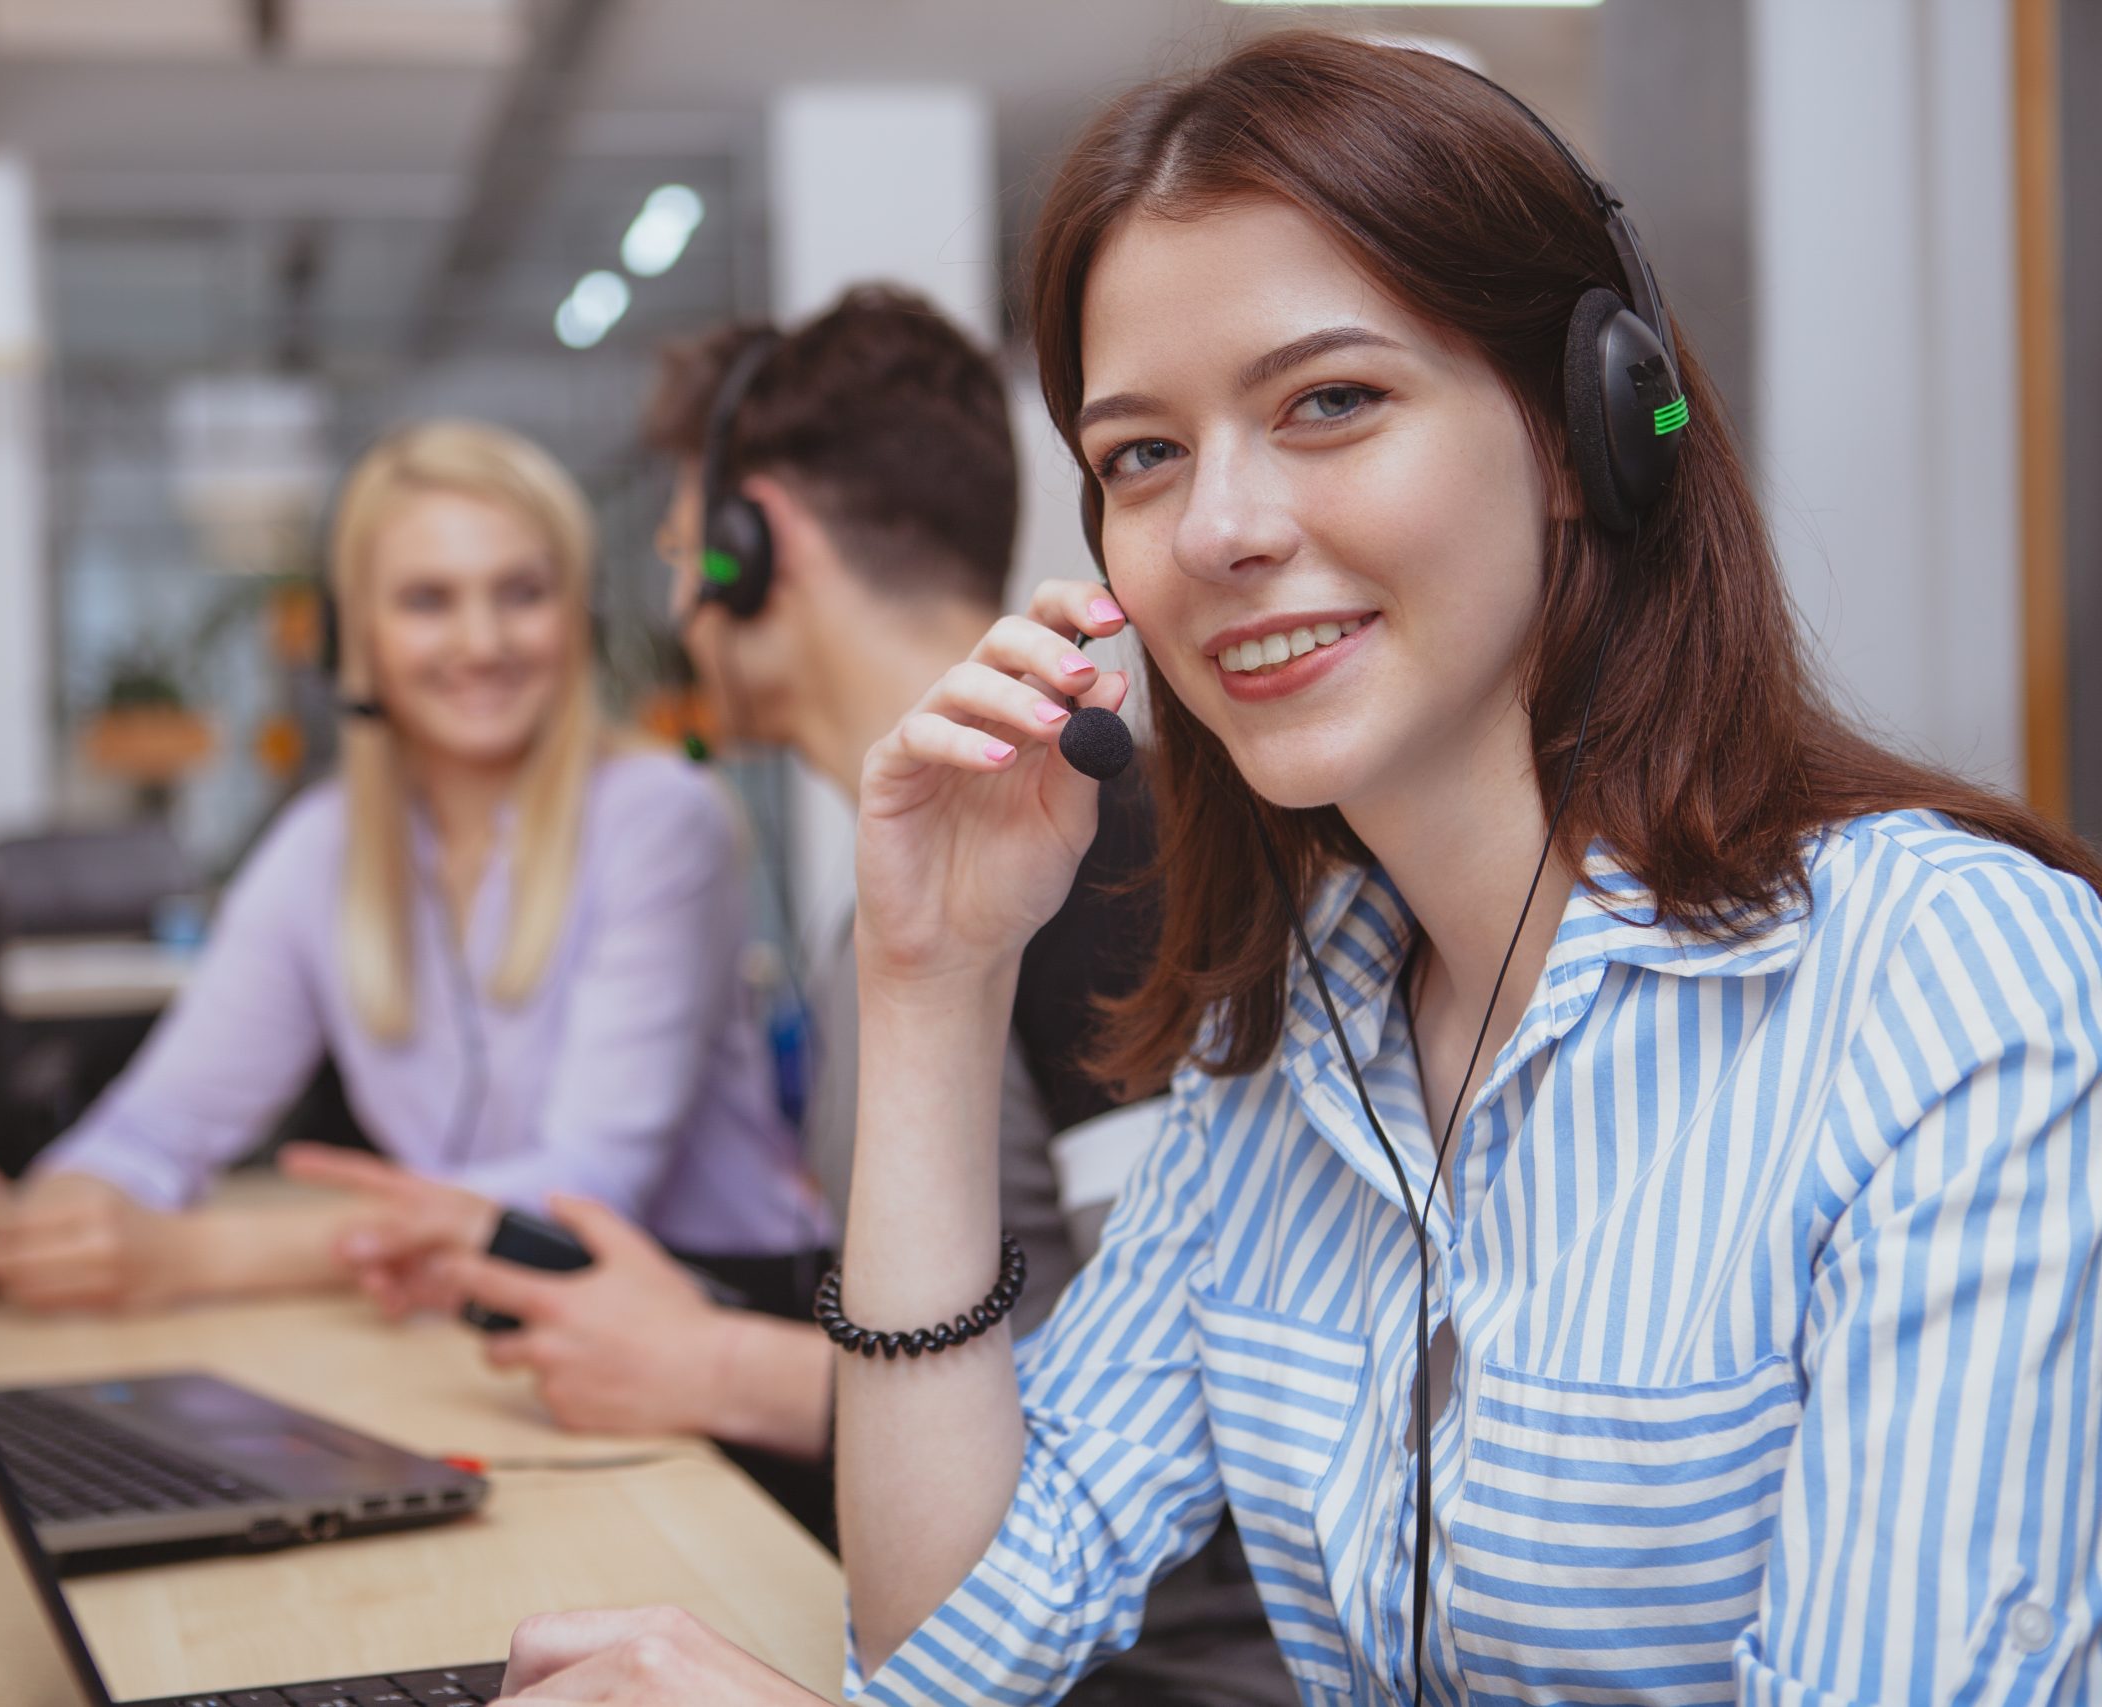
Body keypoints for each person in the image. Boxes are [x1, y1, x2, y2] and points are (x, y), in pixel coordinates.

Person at [477, 33, 2102, 1706]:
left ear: (1579, 427)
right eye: (1142, 456)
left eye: (1331, 401)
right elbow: (951, 1646)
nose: (1219, 530)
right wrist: (934, 979)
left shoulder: (1952, 987)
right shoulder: (1297, 1043)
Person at [331, 291, 1284, 1706]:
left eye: (678, 553)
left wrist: (722, 1362)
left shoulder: (1094, 847)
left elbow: (1199, 1413)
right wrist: (700, 1317)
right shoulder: (915, 897)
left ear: (752, 542)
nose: (673, 609)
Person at [0, 420, 828, 1312]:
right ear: (358, 640)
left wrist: (195, 1256)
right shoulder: (321, 848)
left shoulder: (663, 817)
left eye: (523, 592)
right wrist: (28, 1221)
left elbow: (586, 1189)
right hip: (489, 1327)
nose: (482, 642)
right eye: (428, 600)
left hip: (724, 1309)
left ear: (576, 618)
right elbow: (153, 1130)